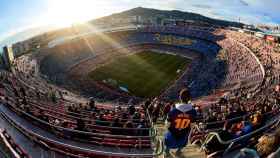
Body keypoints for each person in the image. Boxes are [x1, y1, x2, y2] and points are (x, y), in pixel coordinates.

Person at [164, 88, 197, 157]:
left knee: (167, 137)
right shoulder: (193, 111)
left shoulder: (173, 111)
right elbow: (192, 125)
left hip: (172, 137)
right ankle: (178, 151)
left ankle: (167, 152)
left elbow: (167, 124)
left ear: (180, 97)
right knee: (184, 139)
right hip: (183, 137)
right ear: (189, 98)